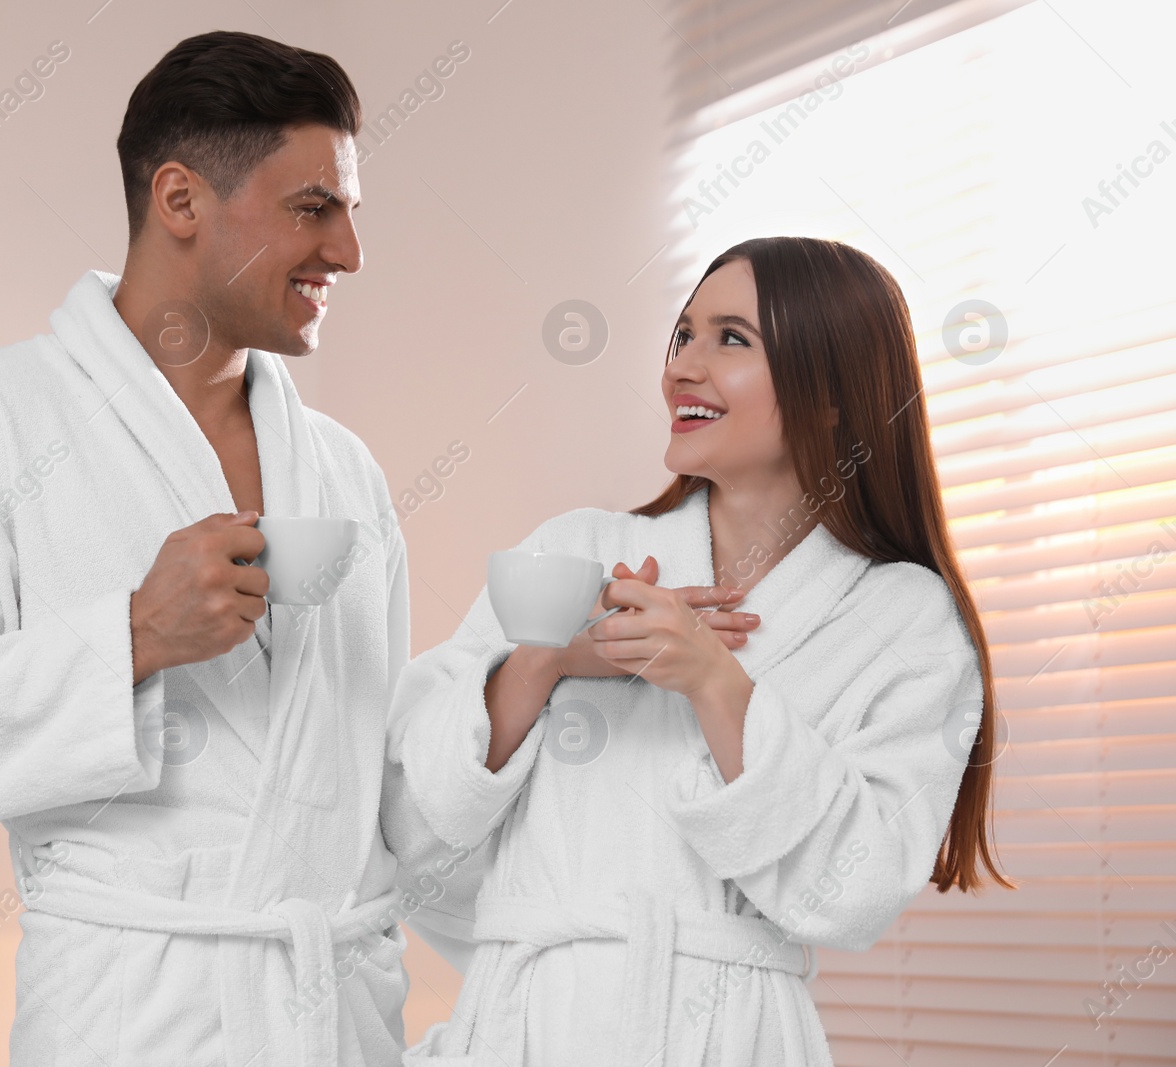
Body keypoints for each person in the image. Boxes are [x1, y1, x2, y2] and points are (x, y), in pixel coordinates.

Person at [0, 30, 418, 1066]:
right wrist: (130, 636)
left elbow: (376, 778)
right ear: (179, 201)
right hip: (134, 1020)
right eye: (313, 210)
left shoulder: (342, 471)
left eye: (351, 213)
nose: (348, 253)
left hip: (341, 1018)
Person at [385, 237, 1014, 1066]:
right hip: (525, 1031)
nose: (684, 366)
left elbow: (853, 892)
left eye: (732, 339)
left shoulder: (902, 617)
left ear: (831, 394)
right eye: (683, 335)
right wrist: (546, 661)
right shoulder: (575, 550)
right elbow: (409, 824)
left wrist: (715, 682)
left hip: (732, 1037)